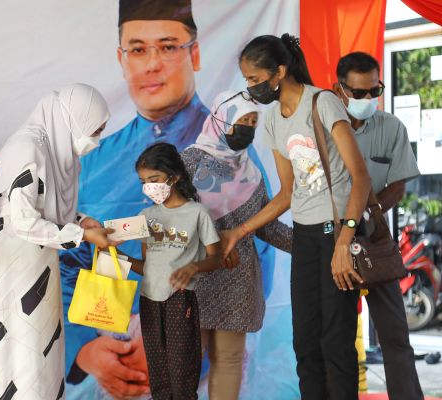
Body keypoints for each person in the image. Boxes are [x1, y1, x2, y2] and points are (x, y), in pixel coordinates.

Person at [60, 0, 208, 397]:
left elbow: (247, 261)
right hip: (108, 370)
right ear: (121, 59)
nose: (152, 64)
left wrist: (190, 342)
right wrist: (84, 349)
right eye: (138, 49)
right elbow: (66, 264)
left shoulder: (227, 156)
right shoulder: (93, 163)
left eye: (168, 47)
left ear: (194, 53)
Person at [221, 34, 372, 400]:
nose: (251, 88)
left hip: (338, 233)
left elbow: (361, 177)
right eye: (247, 81)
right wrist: (239, 232)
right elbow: (287, 194)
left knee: (336, 341)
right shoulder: (273, 120)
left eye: (255, 79)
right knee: (305, 341)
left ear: (279, 72)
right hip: (305, 237)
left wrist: (344, 241)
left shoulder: (322, 103)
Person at [0, 83, 118, 400]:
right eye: (95, 130)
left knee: (40, 359)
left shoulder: (58, 151)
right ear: (75, 118)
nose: (95, 139)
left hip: (40, 264)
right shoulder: (26, 149)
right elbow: (20, 220)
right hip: (13, 270)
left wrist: (80, 221)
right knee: (18, 355)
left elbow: (47, 208)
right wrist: (80, 235)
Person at [180, 91, 293, 399]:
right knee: (186, 362)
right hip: (194, 276)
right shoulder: (187, 163)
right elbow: (172, 216)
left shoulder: (251, 172)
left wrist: (310, 244)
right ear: (221, 119)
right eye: (243, 120)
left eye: (253, 122)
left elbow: (266, 225)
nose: (248, 128)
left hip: (237, 280)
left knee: (229, 360)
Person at [334, 51, 423, 400]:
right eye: (359, 93)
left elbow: (398, 185)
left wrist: (367, 214)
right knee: (335, 337)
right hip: (332, 239)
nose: (368, 99)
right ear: (340, 90)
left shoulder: (391, 127)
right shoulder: (325, 129)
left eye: (375, 90)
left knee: (396, 336)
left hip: (374, 238)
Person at [121, 142, 224, 400]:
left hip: (180, 300)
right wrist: (123, 259)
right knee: (160, 380)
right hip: (148, 301)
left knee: (182, 379)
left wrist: (194, 266)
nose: (149, 187)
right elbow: (148, 266)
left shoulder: (197, 213)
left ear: (174, 176)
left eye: (154, 179)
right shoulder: (146, 216)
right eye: (144, 182)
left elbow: (216, 258)